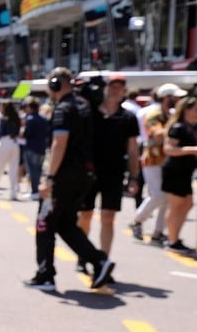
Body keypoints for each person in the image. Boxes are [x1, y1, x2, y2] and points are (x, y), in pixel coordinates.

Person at [23, 67, 116, 292]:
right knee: (65, 224)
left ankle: (45, 275)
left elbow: (59, 143)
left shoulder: (63, 108)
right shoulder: (83, 105)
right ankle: (99, 261)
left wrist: (49, 178)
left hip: (63, 176)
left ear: (55, 84)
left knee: (44, 223)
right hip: (82, 176)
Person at [76, 75, 140, 262]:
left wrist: (134, 177)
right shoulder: (90, 112)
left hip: (114, 173)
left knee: (108, 216)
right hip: (89, 171)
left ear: (124, 92)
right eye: (112, 87)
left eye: (119, 88)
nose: (115, 91)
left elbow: (133, 149)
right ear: (105, 88)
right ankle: (84, 255)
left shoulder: (128, 117)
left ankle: (103, 260)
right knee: (85, 215)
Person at [160, 96, 197, 254]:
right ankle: (172, 240)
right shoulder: (178, 127)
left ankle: (174, 237)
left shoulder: (191, 127)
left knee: (187, 203)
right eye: (195, 109)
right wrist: (192, 150)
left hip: (185, 171)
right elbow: (168, 149)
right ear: (186, 110)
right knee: (176, 206)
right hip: (175, 171)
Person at [129, 105, 170, 244]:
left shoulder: (169, 115)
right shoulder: (154, 115)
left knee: (166, 197)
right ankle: (137, 220)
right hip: (152, 160)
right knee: (158, 195)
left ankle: (158, 232)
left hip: (166, 161)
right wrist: (175, 131)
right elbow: (157, 135)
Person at [0, 100, 23, 200]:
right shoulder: (17, 118)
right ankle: (13, 193)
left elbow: (0, 132)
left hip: (4, 142)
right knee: (13, 169)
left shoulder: (4, 119)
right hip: (14, 143)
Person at [21, 98, 50, 197]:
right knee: (38, 170)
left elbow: (27, 133)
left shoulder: (30, 119)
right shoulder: (44, 119)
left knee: (32, 171)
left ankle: (34, 191)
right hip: (42, 148)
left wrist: (23, 131)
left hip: (31, 148)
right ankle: (36, 190)